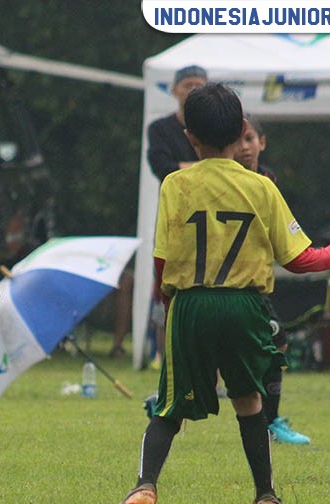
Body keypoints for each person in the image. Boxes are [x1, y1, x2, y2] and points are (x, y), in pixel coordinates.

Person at [114, 83, 330, 504]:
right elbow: (298, 259)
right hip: (244, 305)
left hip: (191, 304)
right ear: (243, 130)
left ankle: (145, 486)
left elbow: (163, 259)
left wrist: (170, 308)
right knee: (249, 400)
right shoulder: (261, 187)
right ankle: (266, 497)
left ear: (190, 137)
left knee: (169, 406)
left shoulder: (175, 184)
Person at [126, 65, 210, 364]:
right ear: (174, 90)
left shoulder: (215, 127)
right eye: (187, 84)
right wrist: (205, 169)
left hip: (213, 219)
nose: (193, 90)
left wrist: (184, 167)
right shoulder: (160, 129)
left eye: (200, 85)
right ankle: (165, 352)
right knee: (168, 284)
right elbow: (163, 168)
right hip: (175, 218)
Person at [234, 114, 310, 445]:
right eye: (238, 140)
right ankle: (165, 403)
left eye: (250, 139)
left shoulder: (268, 180)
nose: (245, 147)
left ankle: (271, 421)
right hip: (230, 284)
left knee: (275, 341)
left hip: (255, 284)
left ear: (262, 142)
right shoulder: (225, 179)